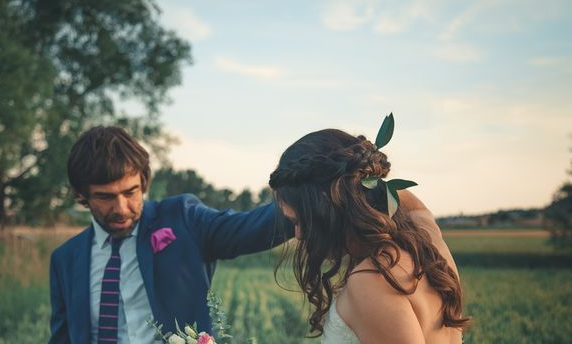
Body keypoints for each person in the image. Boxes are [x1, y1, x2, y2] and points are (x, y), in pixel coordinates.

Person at [49, 126, 289, 343]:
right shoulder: (65, 259)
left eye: (131, 192)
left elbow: (252, 228)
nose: (121, 208)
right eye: (105, 197)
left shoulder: (182, 219)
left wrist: (306, 199)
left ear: (143, 182)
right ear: (82, 195)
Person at [268, 115, 470, 343]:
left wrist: (352, 184)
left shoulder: (371, 282)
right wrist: (356, 186)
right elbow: (412, 204)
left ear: (326, 205)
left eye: (298, 221)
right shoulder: (428, 244)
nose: (299, 234)